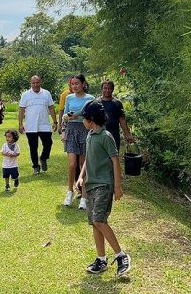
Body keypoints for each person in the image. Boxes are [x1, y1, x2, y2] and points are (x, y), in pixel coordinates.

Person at [77, 99, 131, 276]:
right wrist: (81, 177)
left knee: (100, 220)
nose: (82, 121)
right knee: (95, 223)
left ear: (91, 118)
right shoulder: (90, 135)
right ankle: (101, 260)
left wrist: (117, 186)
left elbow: (115, 161)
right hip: (91, 185)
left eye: (84, 118)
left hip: (104, 184)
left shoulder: (105, 137)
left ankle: (121, 256)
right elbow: (87, 160)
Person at [62, 74, 94, 209]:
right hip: (71, 130)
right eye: (72, 84)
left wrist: (80, 115)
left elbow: (92, 116)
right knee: (72, 164)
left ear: (83, 84)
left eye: (77, 84)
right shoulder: (68, 98)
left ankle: (84, 196)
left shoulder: (90, 98)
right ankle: (70, 191)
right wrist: (67, 118)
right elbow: (64, 115)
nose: (74, 86)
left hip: (85, 130)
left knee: (83, 164)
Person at [18, 75, 58, 175]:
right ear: (30, 83)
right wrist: (20, 124)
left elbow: (51, 108)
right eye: (33, 83)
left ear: (41, 83)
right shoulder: (25, 94)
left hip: (44, 125)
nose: (35, 85)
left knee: (48, 143)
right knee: (33, 147)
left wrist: (55, 122)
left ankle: (43, 158)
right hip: (31, 126)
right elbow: (22, 110)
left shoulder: (46, 93)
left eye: (37, 82)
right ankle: (36, 166)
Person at [98, 80, 134, 151]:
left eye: (109, 88)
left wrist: (128, 135)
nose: (107, 90)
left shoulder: (117, 103)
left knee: (114, 156)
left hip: (114, 134)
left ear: (113, 89)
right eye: (105, 88)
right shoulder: (97, 103)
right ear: (101, 89)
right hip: (100, 134)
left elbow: (122, 119)